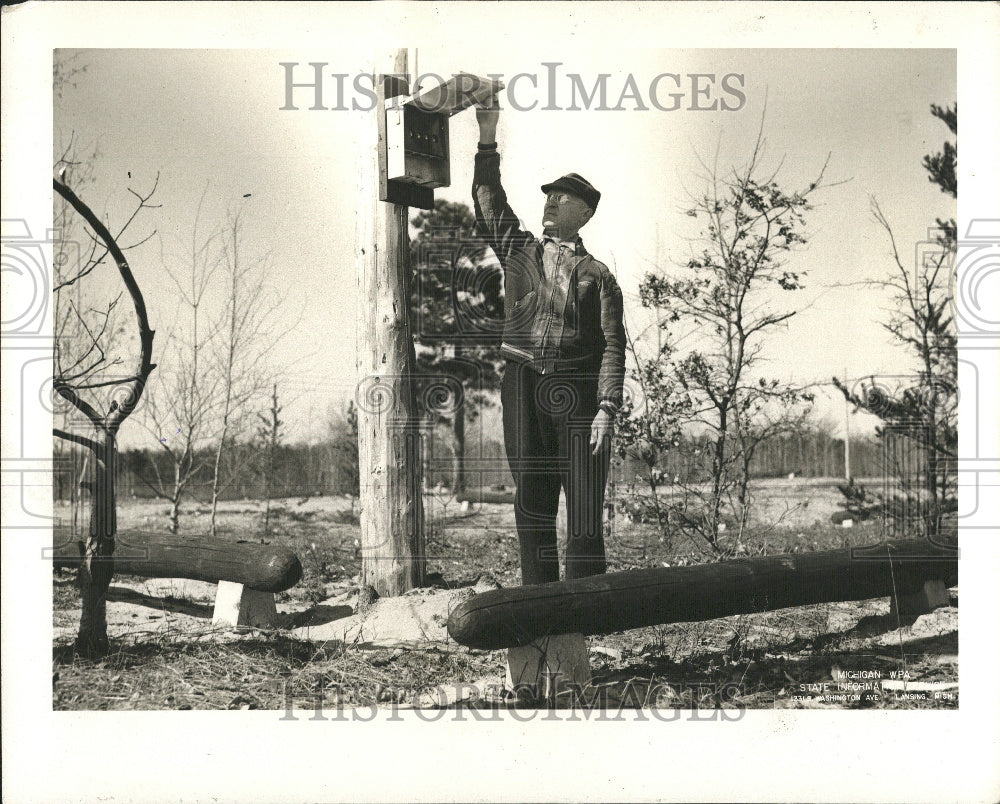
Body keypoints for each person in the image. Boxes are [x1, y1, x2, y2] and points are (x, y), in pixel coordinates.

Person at [472, 103, 626, 586]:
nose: (550, 203)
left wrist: (606, 406)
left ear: (584, 212)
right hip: (522, 383)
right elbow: (488, 200)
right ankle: (539, 608)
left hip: (579, 394)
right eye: (548, 196)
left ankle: (586, 611)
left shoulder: (598, 276)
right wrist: (488, 136)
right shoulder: (520, 252)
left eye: (562, 198)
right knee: (532, 500)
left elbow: (612, 345)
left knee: (582, 504)